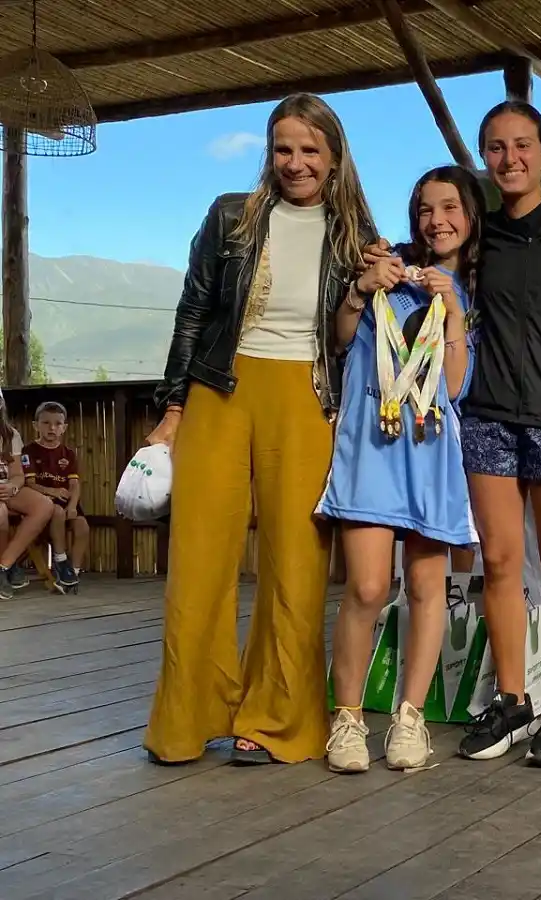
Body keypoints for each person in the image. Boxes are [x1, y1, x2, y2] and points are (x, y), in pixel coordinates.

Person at [364, 102, 541, 768]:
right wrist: (374, 267)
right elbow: (422, 262)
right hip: (489, 418)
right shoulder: (479, 236)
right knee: (499, 565)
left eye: (522, 145)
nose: (510, 159)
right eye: (495, 148)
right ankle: (512, 701)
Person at [142, 93, 378, 766]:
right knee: (198, 560)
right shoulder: (229, 217)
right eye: (284, 149)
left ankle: (276, 721)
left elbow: (350, 340)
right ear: (269, 153)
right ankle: (186, 721)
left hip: (305, 398)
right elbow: (193, 311)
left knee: (295, 566)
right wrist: (175, 406)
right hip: (221, 390)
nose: (295, 163)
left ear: (334, 159)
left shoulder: (354, 232)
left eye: (310, 151)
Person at [320, 165, 485, 774]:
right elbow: (340, 341)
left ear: (469, 217)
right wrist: (362, 288)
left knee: (424, 589)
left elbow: (455, 386)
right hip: (373, 446)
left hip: (430, 448)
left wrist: (456, 315)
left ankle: (410, 717)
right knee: (365, 588)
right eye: (424, 209)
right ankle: (349, 718)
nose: (436, 221)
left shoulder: (469, 287)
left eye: (448, 209)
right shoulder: (383, 268)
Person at [23, 401, 89, 584]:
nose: (52, 428)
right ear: (36, 425)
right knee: (57, 512)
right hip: (42, 502)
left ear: (64, 428)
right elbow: (29, 483)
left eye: (58, 424)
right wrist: (51, 491)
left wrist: (73, 506)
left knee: (82, 526)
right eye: (46, 423)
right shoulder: (28, 451)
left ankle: (73, 573)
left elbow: (74, 484)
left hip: (66, 501)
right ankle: (60, 561)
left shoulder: (68, 454)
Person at [0, 390, 54, 599]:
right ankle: (7, 569)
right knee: (1, 512)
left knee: (44, 506)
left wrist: (12, 487)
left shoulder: (10, 435)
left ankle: (4, 565)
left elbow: (17, 474)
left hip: (5, 488)